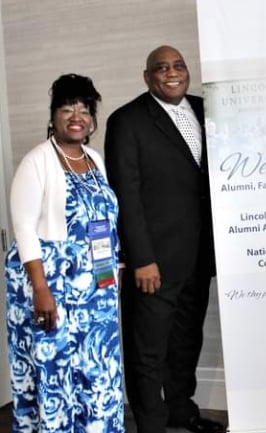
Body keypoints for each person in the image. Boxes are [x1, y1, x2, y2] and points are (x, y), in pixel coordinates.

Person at [104, 46, 220, 433]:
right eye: (161, 68)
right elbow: (127, 194)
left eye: (179, 66)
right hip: (153, 261)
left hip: (199, 256)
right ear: (147, 76)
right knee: (148, 349)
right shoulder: (127, 121)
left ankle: (180, 409)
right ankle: (151, 424)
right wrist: (141, 258)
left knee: (186, 340)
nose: (172, 73)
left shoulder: (207, 109)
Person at [5, 74, 123, 432]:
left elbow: (103, 223)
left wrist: (112, 273)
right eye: (68, 108)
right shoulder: (37, 161)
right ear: (53, 115)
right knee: (58, 375)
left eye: (86, 109)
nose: (77, 116)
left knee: (99, 372)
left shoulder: (94, 158)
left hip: (96, 287)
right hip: (53, 285)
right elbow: (24, 228)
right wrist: (41, 289)